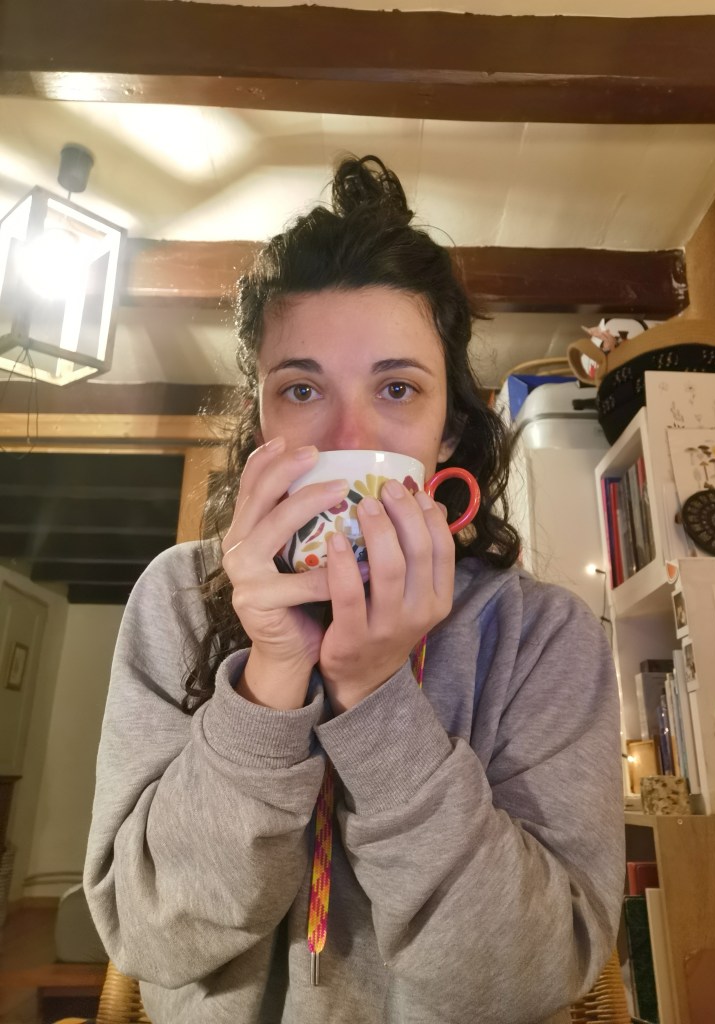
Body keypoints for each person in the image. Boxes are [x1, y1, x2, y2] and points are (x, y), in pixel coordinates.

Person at [84, 155, 624, 1024]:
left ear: (447, 435)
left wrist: (376, 699)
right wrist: (269, 677)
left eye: (397, 389)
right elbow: (150, 938)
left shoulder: (543, 636)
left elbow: (530, 977)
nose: (346, 436)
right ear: (261, 421)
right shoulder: (178, 599)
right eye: (302, 389)